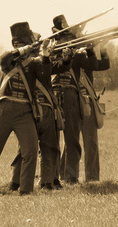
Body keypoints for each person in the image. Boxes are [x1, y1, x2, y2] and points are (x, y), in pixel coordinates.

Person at [0, 22, 53, 195]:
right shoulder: (9, 59)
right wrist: (24, 50)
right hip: (2, 109)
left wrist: (46, 55)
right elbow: (3, 60)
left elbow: (46, 76)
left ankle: (25, 190)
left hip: (24, 112)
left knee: (31, 150)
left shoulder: (33, 63)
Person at [9, 46, 72, 191]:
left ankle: (18, 181)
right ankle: (44, 182)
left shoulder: (18, 64)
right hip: (37, 109)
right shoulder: (37, 63)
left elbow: (59, 67)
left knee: (28, 148)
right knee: (46, 147)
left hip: (31, 109)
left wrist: (66, 59)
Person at [51, 14, 98, 184]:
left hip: (66, 96)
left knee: (70, 140)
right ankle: (55, 178)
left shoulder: (74, 52)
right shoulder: (50, 52)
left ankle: (67, 177)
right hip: (57, 97)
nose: (67, 39)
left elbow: (93, 65)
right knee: (55, 140)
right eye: (65, 36)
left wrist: (90, 48)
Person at [80, 45, 110, 181]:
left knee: (91, 142)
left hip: (87, 102)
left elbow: (104, 65)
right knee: (70, 144)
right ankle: (67, 177)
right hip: (69, 101)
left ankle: (92, 177)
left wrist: (102, 48)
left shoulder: (86, 57)